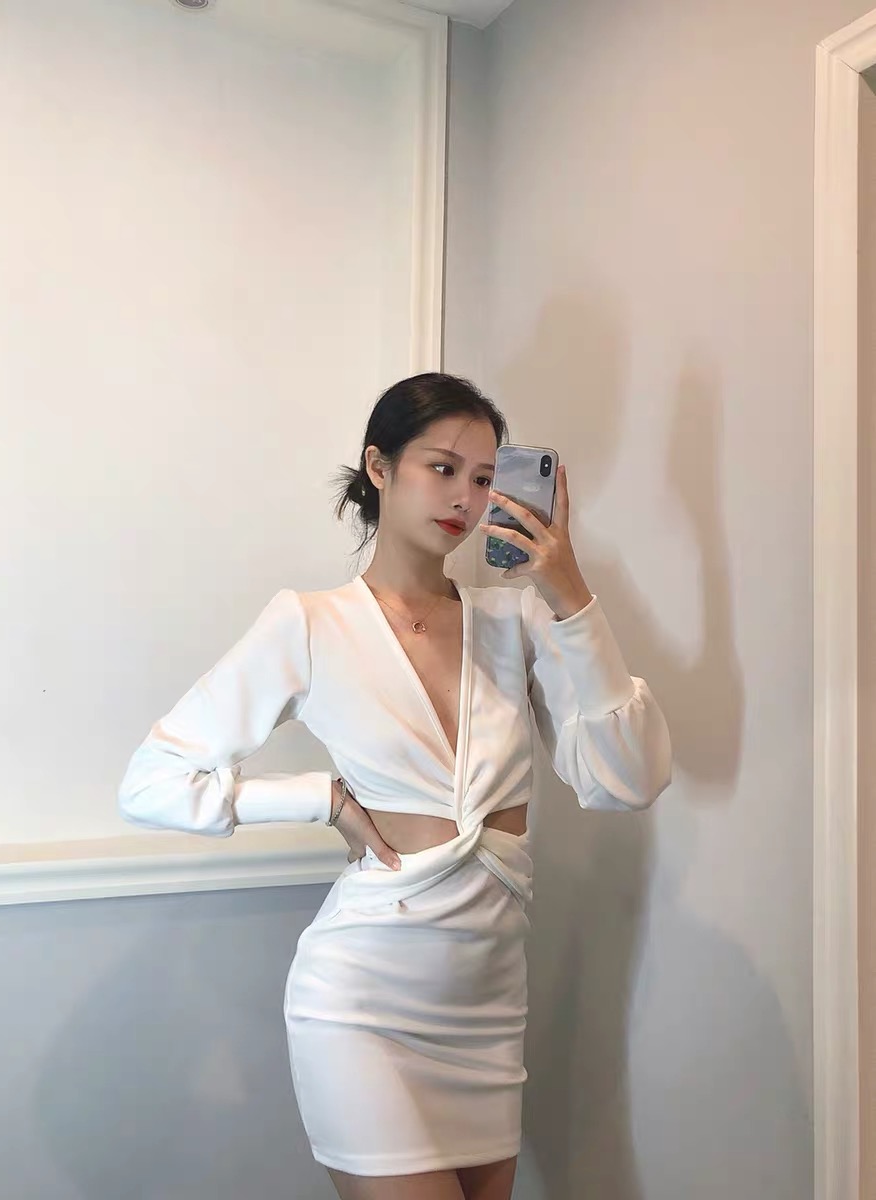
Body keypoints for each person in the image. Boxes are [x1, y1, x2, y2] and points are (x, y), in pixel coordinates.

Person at [118, 373, 672, 1200]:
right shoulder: (310, 622)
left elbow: (626, 780)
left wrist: (569, 592)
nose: (465, 497)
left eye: (482, 478)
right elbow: (152, 782)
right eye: (442, 468)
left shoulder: (519, 622)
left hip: (489, 1012)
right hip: (361, 1005)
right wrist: (323, 800)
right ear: (379, 467)